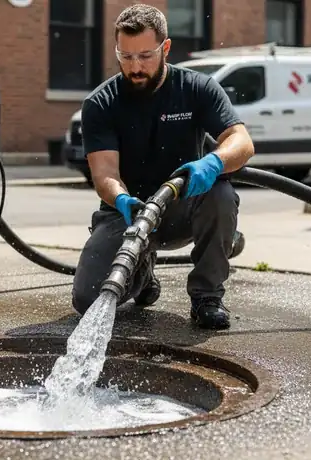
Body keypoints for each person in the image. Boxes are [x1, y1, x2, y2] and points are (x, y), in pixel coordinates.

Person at [71, 4, 255, 330]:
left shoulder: (196, 89)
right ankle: (142, 272)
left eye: (145, 55)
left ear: (165, 48)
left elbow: (242, 142)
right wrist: (122, 199)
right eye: (125, 57)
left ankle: (206, 298)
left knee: (221, 195)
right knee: (87, 300)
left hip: (182, 205)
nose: (135, 67)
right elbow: (105, 175)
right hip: (127, 214)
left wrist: (213, 163)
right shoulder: (101, 104)